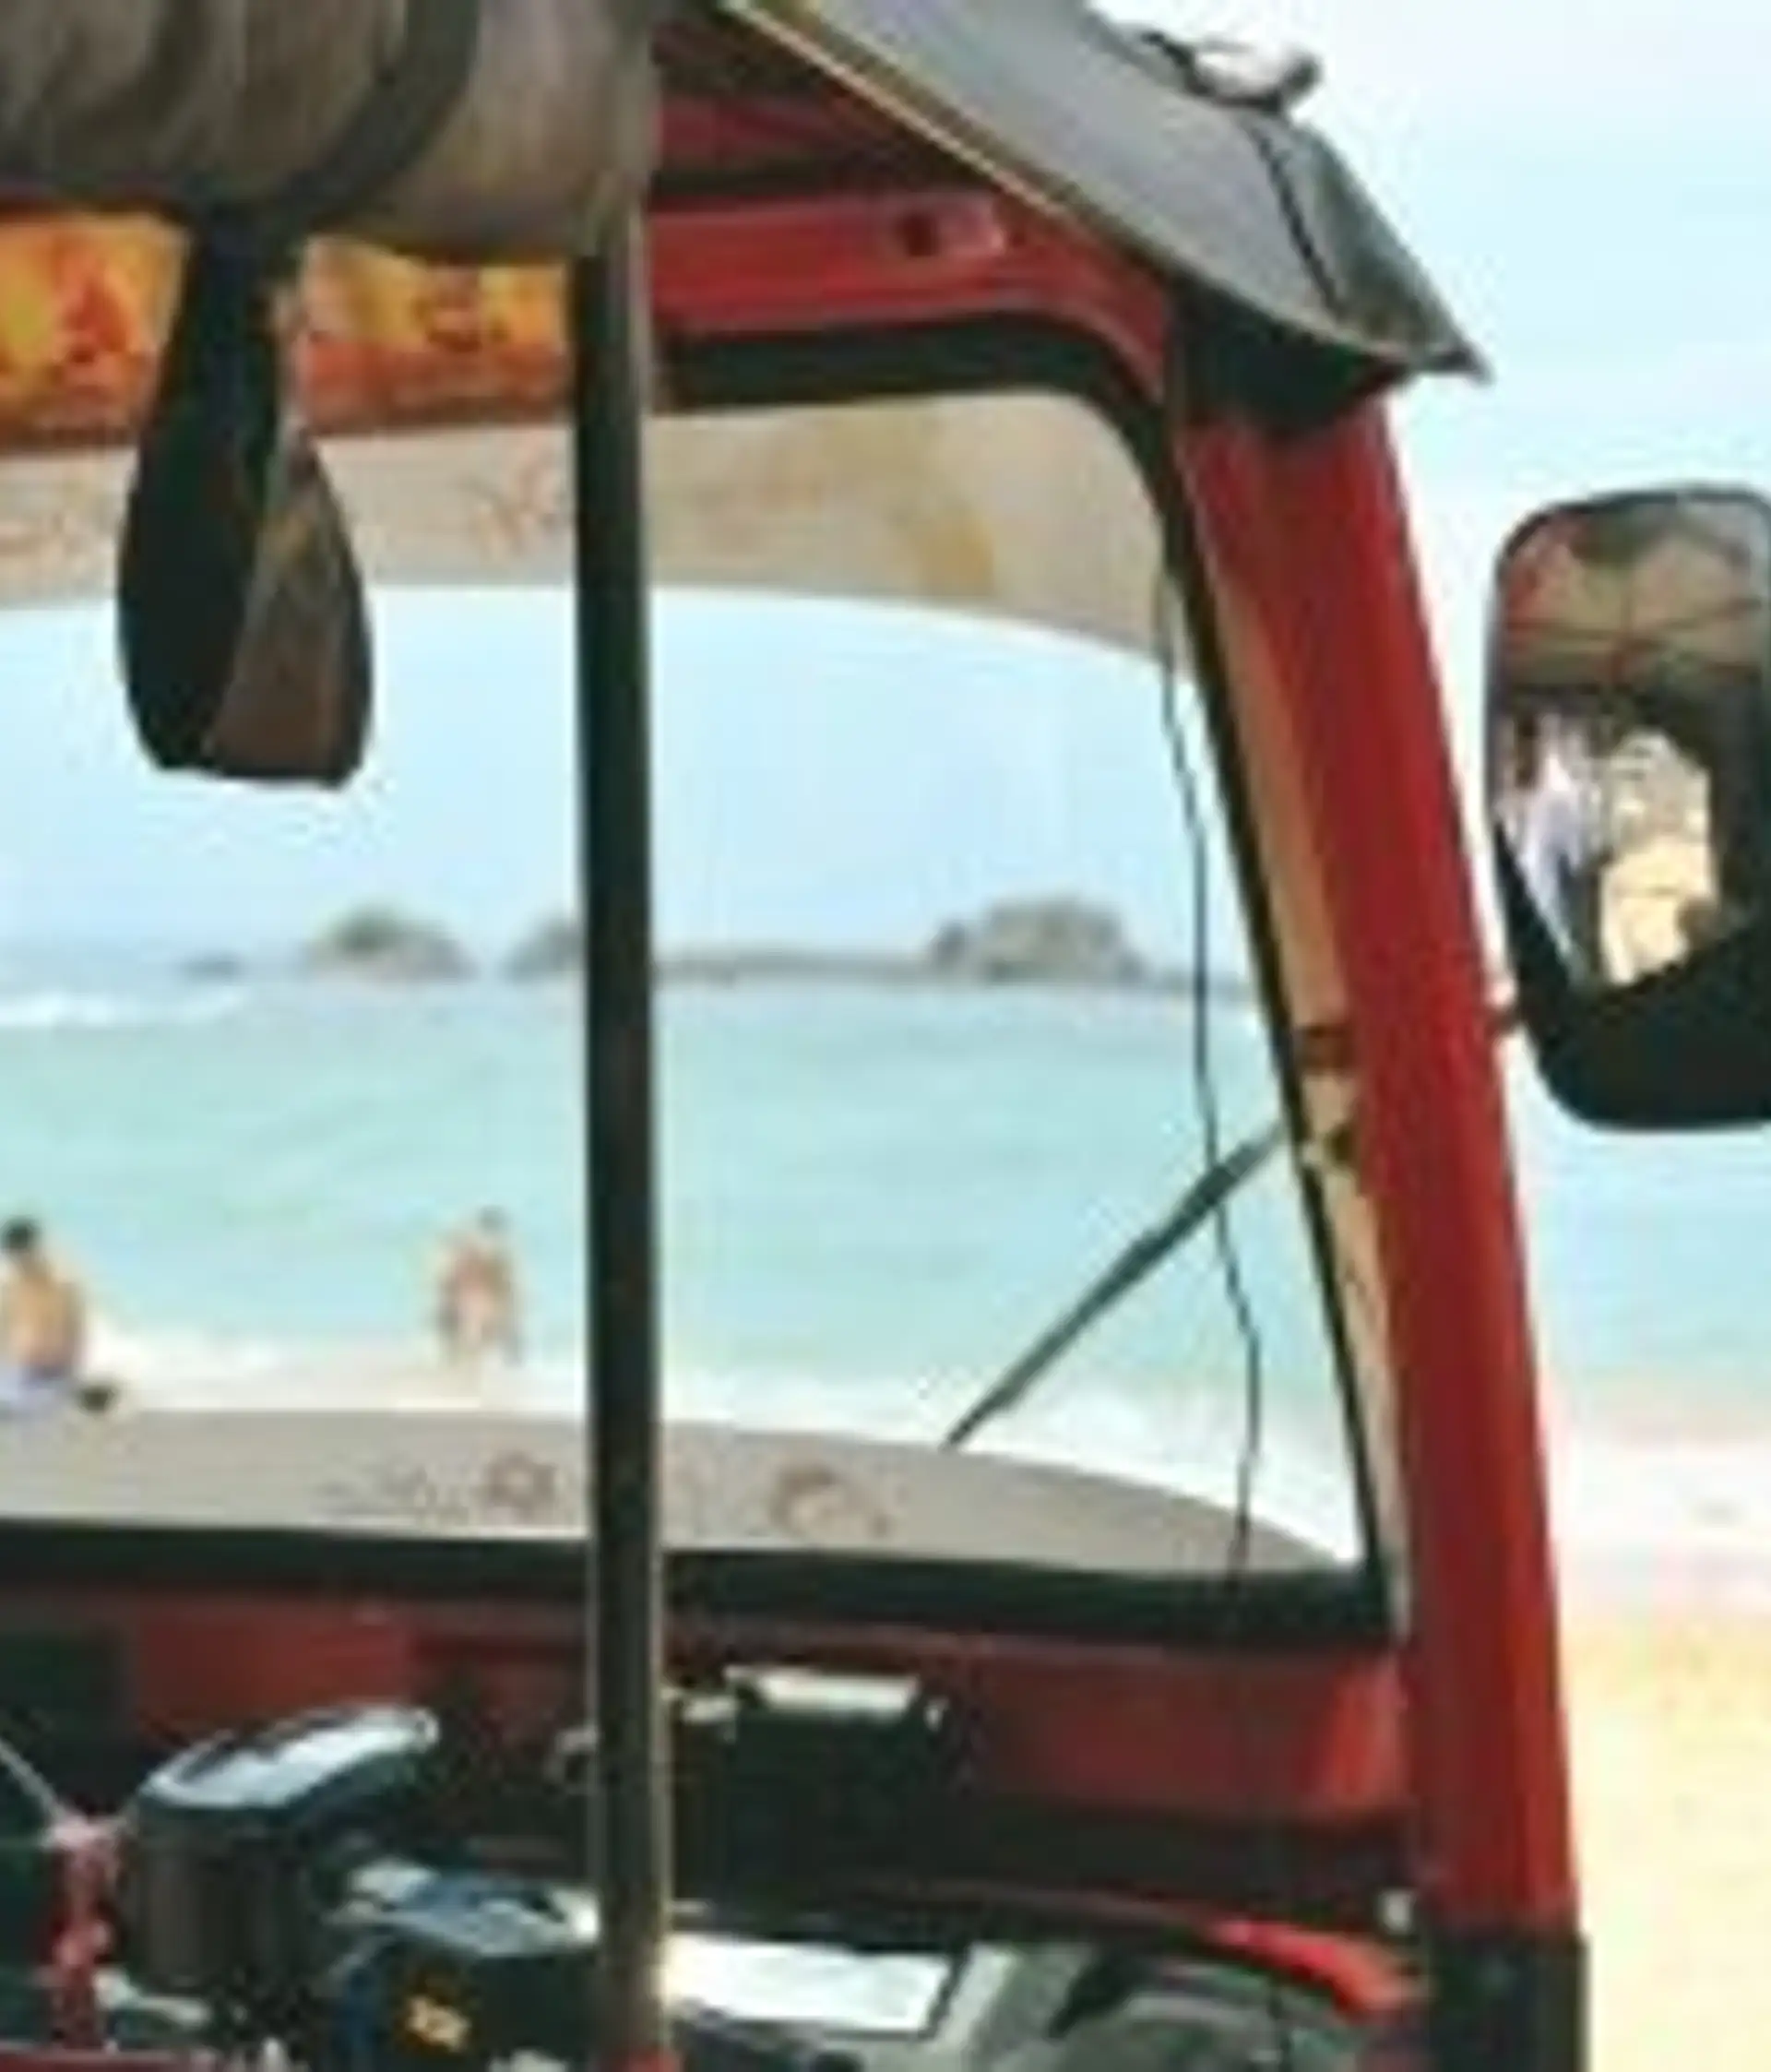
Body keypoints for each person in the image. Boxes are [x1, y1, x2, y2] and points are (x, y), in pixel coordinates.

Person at [0, 1216, 89, 1414]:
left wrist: (69, 1372)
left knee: (28, 1405)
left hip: (55, 1375)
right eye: (14, 1256)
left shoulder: (63, 1283)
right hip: (21, 1373)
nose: (19, 1262)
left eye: (23, 1253)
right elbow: (4, 1334)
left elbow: (77, 1335)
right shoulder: (11, 1286)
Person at [433, 1209, 523, 1368]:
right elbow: (447, 1282)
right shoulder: (489, 1254)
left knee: (470, 1340)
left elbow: (508, 1288)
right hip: (474, 1299)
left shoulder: (493, 1255)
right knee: (466, 1339)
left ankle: (464, 1364)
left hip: (479, 1300)